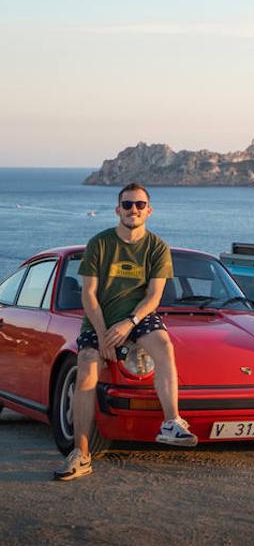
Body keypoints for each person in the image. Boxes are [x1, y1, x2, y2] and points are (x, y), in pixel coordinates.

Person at [54, 183, 195, 481]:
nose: (134, 210)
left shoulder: (157, 247)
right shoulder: (100, 243)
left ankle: (172, 423)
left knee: (164, 346)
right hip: (100, 319)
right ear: (118, 209)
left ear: (149, 210)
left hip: (138, 316)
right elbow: (88, 295)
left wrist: (128, 323)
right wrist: (105, 334)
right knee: (87, 371)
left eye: (140, 205)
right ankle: (81, 453)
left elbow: (154, 297)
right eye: (128, 204)